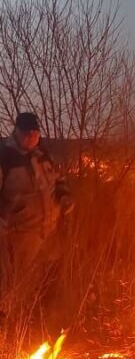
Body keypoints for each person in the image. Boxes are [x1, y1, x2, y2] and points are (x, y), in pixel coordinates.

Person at [0, 112, 73, 282]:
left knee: (50, 285)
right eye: (28, 135)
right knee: (22, 286)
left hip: (49, 236)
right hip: (20, 240)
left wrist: (64, 197)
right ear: (16, 132)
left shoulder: (43, 155)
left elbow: (59, 179)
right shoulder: (5, 158)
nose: (32, 138)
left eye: (36, 135)